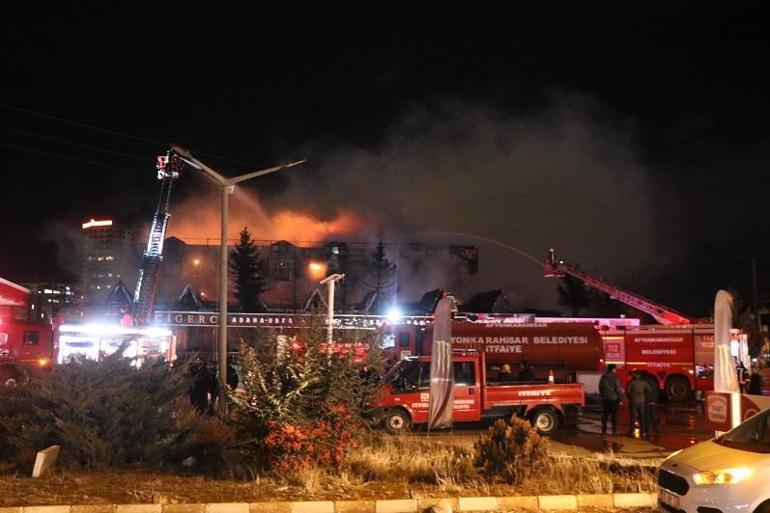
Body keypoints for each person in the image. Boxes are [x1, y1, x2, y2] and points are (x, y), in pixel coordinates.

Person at [626, 370, 652, 437]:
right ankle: (643, 431)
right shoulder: (644, 382)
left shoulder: (631, 382)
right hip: (642, 401)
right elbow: (649, 390)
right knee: (642, 416)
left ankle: (632, 431)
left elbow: (628, 391)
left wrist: (630, 397)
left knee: (633, 416)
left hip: (633, 401)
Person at [598, 364, 622, 435]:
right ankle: (614, 430)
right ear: (613, 369)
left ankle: (603, 430)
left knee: (605, 415)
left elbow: (600, 387)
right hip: (614, 398)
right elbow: (617, 389)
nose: (615, 370)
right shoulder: (615, 378)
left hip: (605, 398)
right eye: (615, 369)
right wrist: (620, 397)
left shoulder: (603, 377)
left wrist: (602, 395)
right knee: (614, 415)